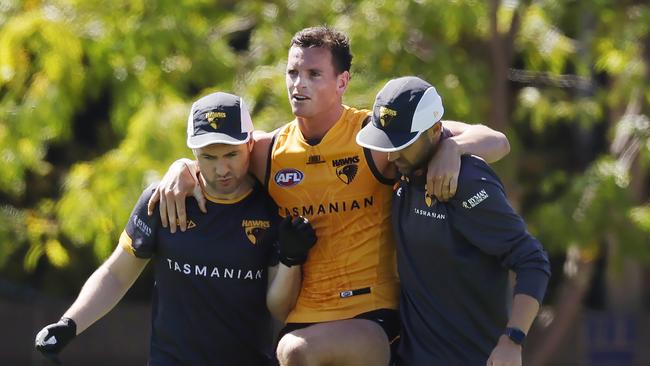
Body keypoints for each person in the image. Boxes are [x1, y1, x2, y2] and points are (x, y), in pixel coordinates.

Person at [149, 27, 511, 366]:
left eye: (313, 74)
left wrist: (454, 149)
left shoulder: (375, 136)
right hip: (303, 318)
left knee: (294, 351)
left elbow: (496, 139)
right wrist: (180, 165)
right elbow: (218, 157)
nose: (298, 84)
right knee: (294, 348)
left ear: (342, 81)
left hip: (372, 318)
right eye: (292, 73)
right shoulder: (269, 150)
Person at [34, 92, 317, 365]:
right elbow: (116, 275)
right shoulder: (162, 200)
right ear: (193, 151)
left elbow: (279, 306)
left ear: (250, 144)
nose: (222, 169)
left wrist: (291, 259)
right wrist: (69, 323)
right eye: (208, 157)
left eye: (231, 154)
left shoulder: (272, 206)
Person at [356, 76, 551, 366]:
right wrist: (452, 147)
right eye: (387, 142)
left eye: (403, 143)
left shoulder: (466, 182)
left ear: (434, 131)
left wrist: (513, 341)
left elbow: (533, 260)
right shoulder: (403, 162)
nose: (391, 153)